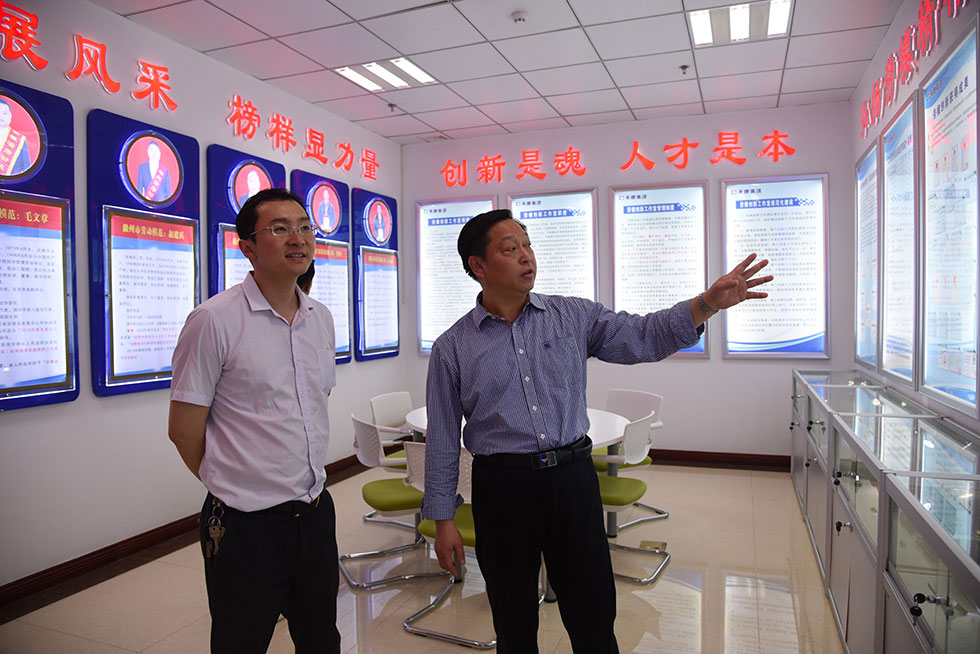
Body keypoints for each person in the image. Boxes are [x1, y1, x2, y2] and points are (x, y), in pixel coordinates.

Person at [423, 209, 772, 653]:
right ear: (479, 266)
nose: (526, 256)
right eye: (510, 249)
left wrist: (706, 304)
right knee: (512, 620)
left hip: (572, 480)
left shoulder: (572, 317)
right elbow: (442, 438)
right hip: (503, 489)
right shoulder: (453, 347)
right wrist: (444, 520)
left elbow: (644, 335)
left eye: (528, 245)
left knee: (593, 614)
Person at [168, 188, 340, 654]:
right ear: (247, 246)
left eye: (304, 227)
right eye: (280, 228)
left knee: (322, 637)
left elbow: (312, 406)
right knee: (240, 642)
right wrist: (236, 484)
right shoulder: (213, 321)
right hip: (246, 527)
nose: (297, 238)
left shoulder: (320, 318)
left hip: (314, 513)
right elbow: (183, 430)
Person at [0, 97, 31, 177]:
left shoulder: (20, 140)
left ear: (10, 116)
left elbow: (26, 168)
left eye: (5, 113)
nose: (1, 116)